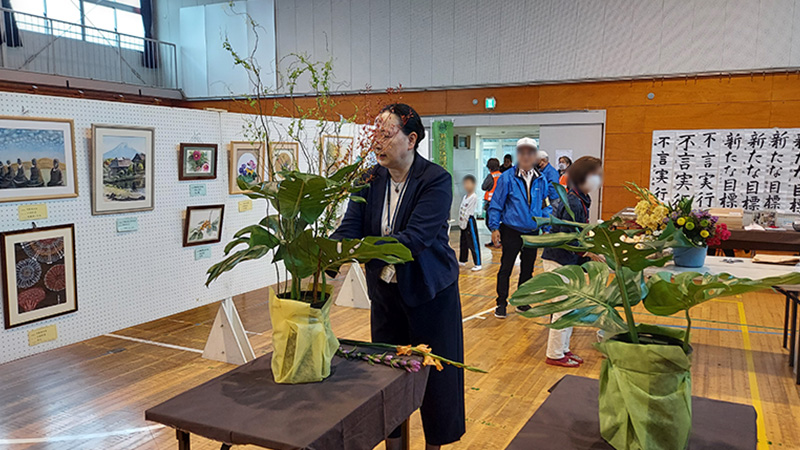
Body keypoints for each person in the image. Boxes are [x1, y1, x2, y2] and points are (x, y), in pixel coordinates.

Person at [331, 103, 465, 449]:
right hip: (386, 295)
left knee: (437, 379)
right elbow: (349, 227)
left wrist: (361, 249)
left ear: (412, 140)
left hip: (431, 292)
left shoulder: (435, 180)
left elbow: (415, 239)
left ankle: (434, 445)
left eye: (386, 134)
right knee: (386, 377)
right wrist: (324, 257)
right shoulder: (369, 179)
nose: (377, 142)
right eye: (375, 134)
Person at [542, 156, 604, 367]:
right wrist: (590, 253)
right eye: (595, 175)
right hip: (558, 261)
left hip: (567, 262)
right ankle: (555, 354)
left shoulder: (580, 199)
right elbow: (567, 237)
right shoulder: (573, 202)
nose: (598, 180)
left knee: (569, 309)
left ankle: (564, 349)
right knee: (562, 309)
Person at [487, 138, 558, 318]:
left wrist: (546, 226)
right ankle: (501, 303)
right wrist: (495, 228)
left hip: (532, 233)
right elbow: (496, 204)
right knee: (506, 269)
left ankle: (522, 301)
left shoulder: (541, 180)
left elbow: (545, 205)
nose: (526, 156)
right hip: (511, 231)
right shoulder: (507, 178)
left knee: (528, 270)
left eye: (530, 152)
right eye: (522, 152)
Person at [458, 174, 482, 271]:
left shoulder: (474, 197)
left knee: (473, 242)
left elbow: (468, 211)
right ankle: (462, 260)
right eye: (465, 184)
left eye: (469, 183)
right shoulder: (465, 197)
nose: (466, 186)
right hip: (462, 221)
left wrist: (466, 221)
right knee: (463, 241)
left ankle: (478, 263)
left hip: (470, 221)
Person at [481, 158, 502, 241]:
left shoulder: (491, 176)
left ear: (489, 168)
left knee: (490, 223)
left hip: (491, 203)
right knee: (497, 222)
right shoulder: (502, 175)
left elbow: (483, 187)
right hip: (501, 203)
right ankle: (496, 240)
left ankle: (498, 239)